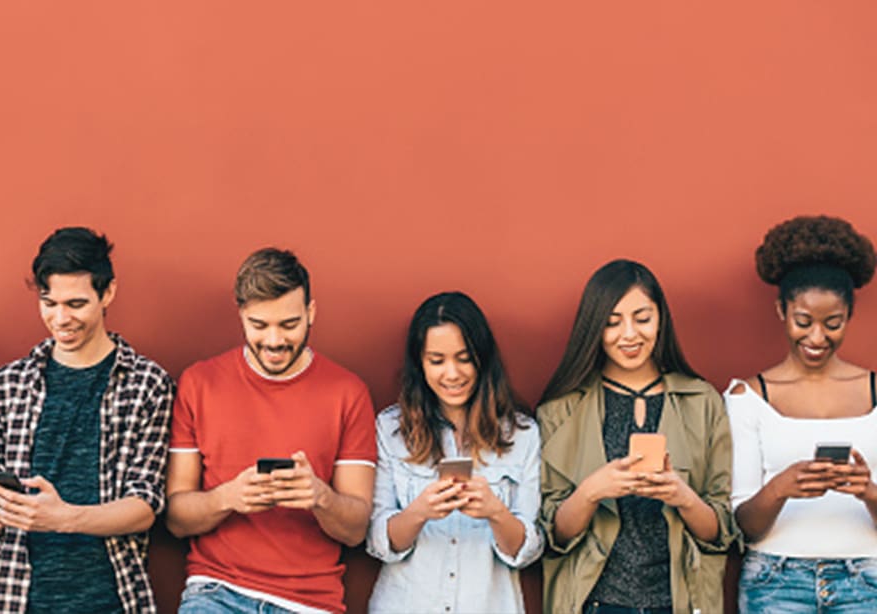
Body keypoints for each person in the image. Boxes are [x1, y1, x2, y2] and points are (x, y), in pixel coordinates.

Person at [166, 247, 377, 614]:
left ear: (311, 312)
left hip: (311, 603)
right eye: (259, 325)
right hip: (216, 592)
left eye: (289, 325)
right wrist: (228, 497)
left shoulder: (348, 393)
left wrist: (320, 496)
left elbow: (356, 530)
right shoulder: (199, 384)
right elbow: (176, 519)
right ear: (241, 316)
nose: (275, 341)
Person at [0, 227, 175, 614]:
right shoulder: (5, 385)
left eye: (76, 304)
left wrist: (63, 518)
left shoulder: (149, 384)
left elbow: (145, 505)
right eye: (49, 302)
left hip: (111, 598)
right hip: (13, 599)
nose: (60, 318)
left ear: (108, 293)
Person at [537, 259, 736, 614]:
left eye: (642, 318)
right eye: (612, 323)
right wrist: (591, 491)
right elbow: (555, 536)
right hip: (594, 602)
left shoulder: (702, 401)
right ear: (594, 328)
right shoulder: (561, 410)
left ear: (661, 319)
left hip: (679, 601)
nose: (629, 334)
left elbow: (719, 533)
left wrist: (683, 497)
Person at [726, 215, 877, 613]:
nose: (816, 338)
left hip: (867, 581)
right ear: (781, 311)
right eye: (803, 322)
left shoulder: (875, 392)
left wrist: (867, 491)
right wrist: (780, 488)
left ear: (850, 315)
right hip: (775, 582)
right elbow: (744, 525)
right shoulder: (747, 398)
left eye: (832, 324)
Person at [365, 292, 542, 613]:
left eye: (464, 358)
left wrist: (495, 512)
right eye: (437, 360)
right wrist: (420, 511)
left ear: (482, 358)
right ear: (420, 363)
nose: (452, 374)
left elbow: (526, 552)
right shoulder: (391, 429)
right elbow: (380, 543)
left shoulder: (523, 434)